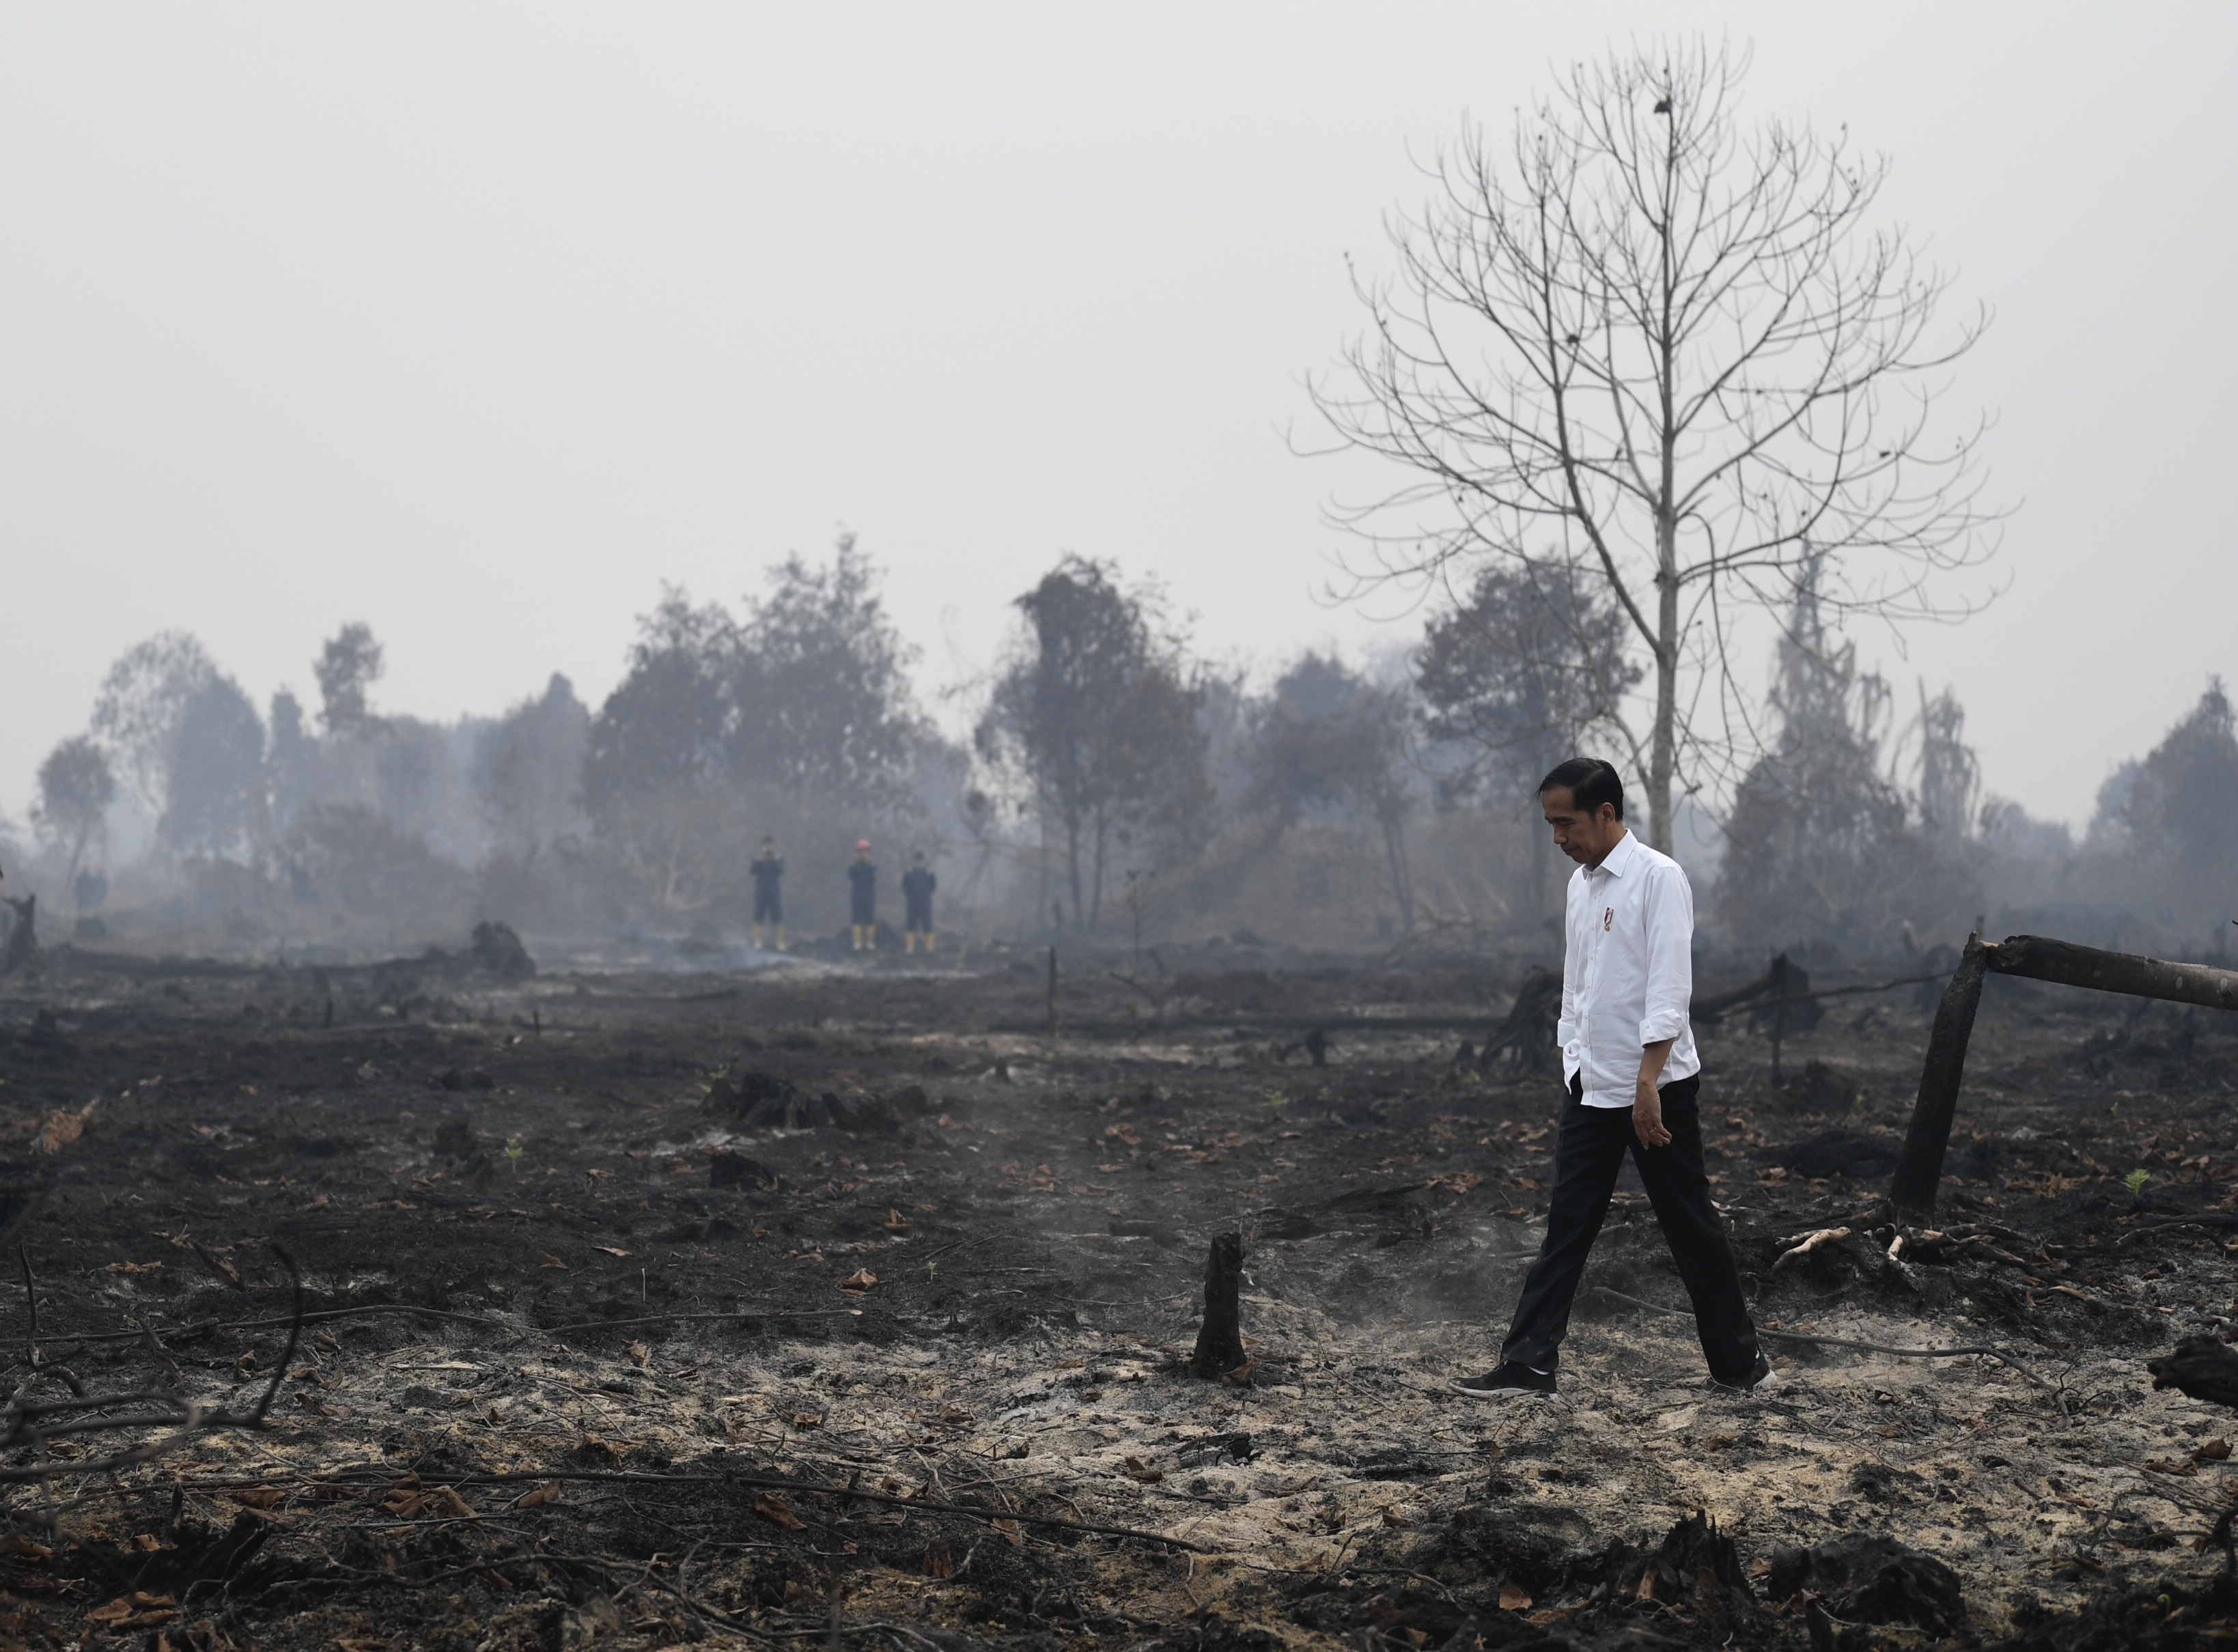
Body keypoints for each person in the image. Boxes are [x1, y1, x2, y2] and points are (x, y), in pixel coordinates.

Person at [1454, 757, 1774, 1399]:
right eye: (1549, 824)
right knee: (1567, 1225)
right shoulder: (1581, 885)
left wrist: (1648, 1082)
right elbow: (1577, 987)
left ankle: (1741, 1368)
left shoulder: (1659, 878)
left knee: (1689, 1224)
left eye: (1565, 822)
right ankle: (1528, 1364)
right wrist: (1570, 1053)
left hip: (1656, 1089)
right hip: (1591, 1087)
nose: (1557, 838)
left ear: (1606, 813)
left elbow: (1668, 991)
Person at [749, 839, 785, 951]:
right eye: (766, 845)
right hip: (761, 892)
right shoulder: (758, 858)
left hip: (774, 892)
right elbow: (752, 871)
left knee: (778, 917)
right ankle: (757, 941)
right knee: (758, 916)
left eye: (770, 845)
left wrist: (773, 860)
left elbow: (781, 870)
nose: (768, 848)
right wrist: (760, 860)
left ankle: (780, 943)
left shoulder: (778, 858)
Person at [901, 852, 937, 954]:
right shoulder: (909, 873)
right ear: (914, 861)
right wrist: (910, 896)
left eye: (921, 860)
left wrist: (926, 895)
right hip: (912, 902)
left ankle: (930, 948)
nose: (919, 863)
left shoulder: (930, 874)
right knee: (911, 924)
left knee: (927, 925)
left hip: (925, 903)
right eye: (917, 860)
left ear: (924, 861)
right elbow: (904, 886)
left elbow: (933, 887)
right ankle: (910, 948)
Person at [848, 839, 877, 952]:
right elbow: (851, 876)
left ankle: (870, 942)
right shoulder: (854, 867)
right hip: (857, 895)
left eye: (865, 851)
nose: (863, 853)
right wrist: (857, 864)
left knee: (870, 918)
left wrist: (868, 864)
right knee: (856, 918)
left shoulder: (873, 867)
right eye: (860, 851)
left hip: (869, 895)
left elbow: (874, 878)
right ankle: (857, 942)